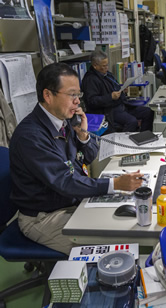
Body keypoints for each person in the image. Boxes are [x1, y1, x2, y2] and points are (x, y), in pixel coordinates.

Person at [9, 62, 145, 255]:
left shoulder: (62, 122)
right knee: (112, 252)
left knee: (125, 225)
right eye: (72, 95)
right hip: (43, 217)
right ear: (48, 95)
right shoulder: (31, 137)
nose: (77, 102)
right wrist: (114, 184)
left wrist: (83, 135)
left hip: (70, 202)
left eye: (78, 95)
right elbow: (64, 181)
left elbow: (87, 157)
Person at [81, 50, 154, 133]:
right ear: (95, 65)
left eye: (107, 65)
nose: (107, 68)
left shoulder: (107, 74)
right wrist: (110, 97)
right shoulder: (90, 79)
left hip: (122, 105)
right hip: (109, 110)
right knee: (132, 122)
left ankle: (144, 137)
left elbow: (113, 87)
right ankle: (123, 144)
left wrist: (122, 89)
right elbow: (92, 101)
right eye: (104, 66)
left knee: (148, 112)